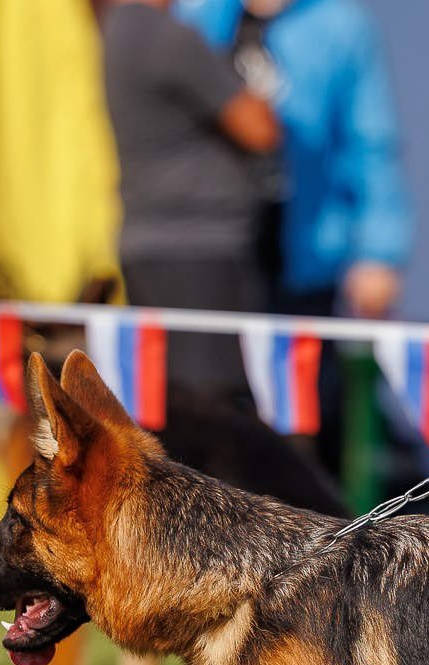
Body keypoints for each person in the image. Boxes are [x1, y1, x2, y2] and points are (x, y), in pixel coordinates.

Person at [176, 0, 414, 471]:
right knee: (205, 418)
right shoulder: (197, 15)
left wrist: (380, 250)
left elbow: (370, 142)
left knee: (302, 422)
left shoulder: (340, 24)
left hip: (303, 256)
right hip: (210, 255)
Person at [102, 0, 282, 395]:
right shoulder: (166, 37)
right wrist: (253, 59)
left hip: (156, 247)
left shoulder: (116, 30)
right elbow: (261, 128)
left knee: (182, 408)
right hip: (196, 253)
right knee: (212, 411)